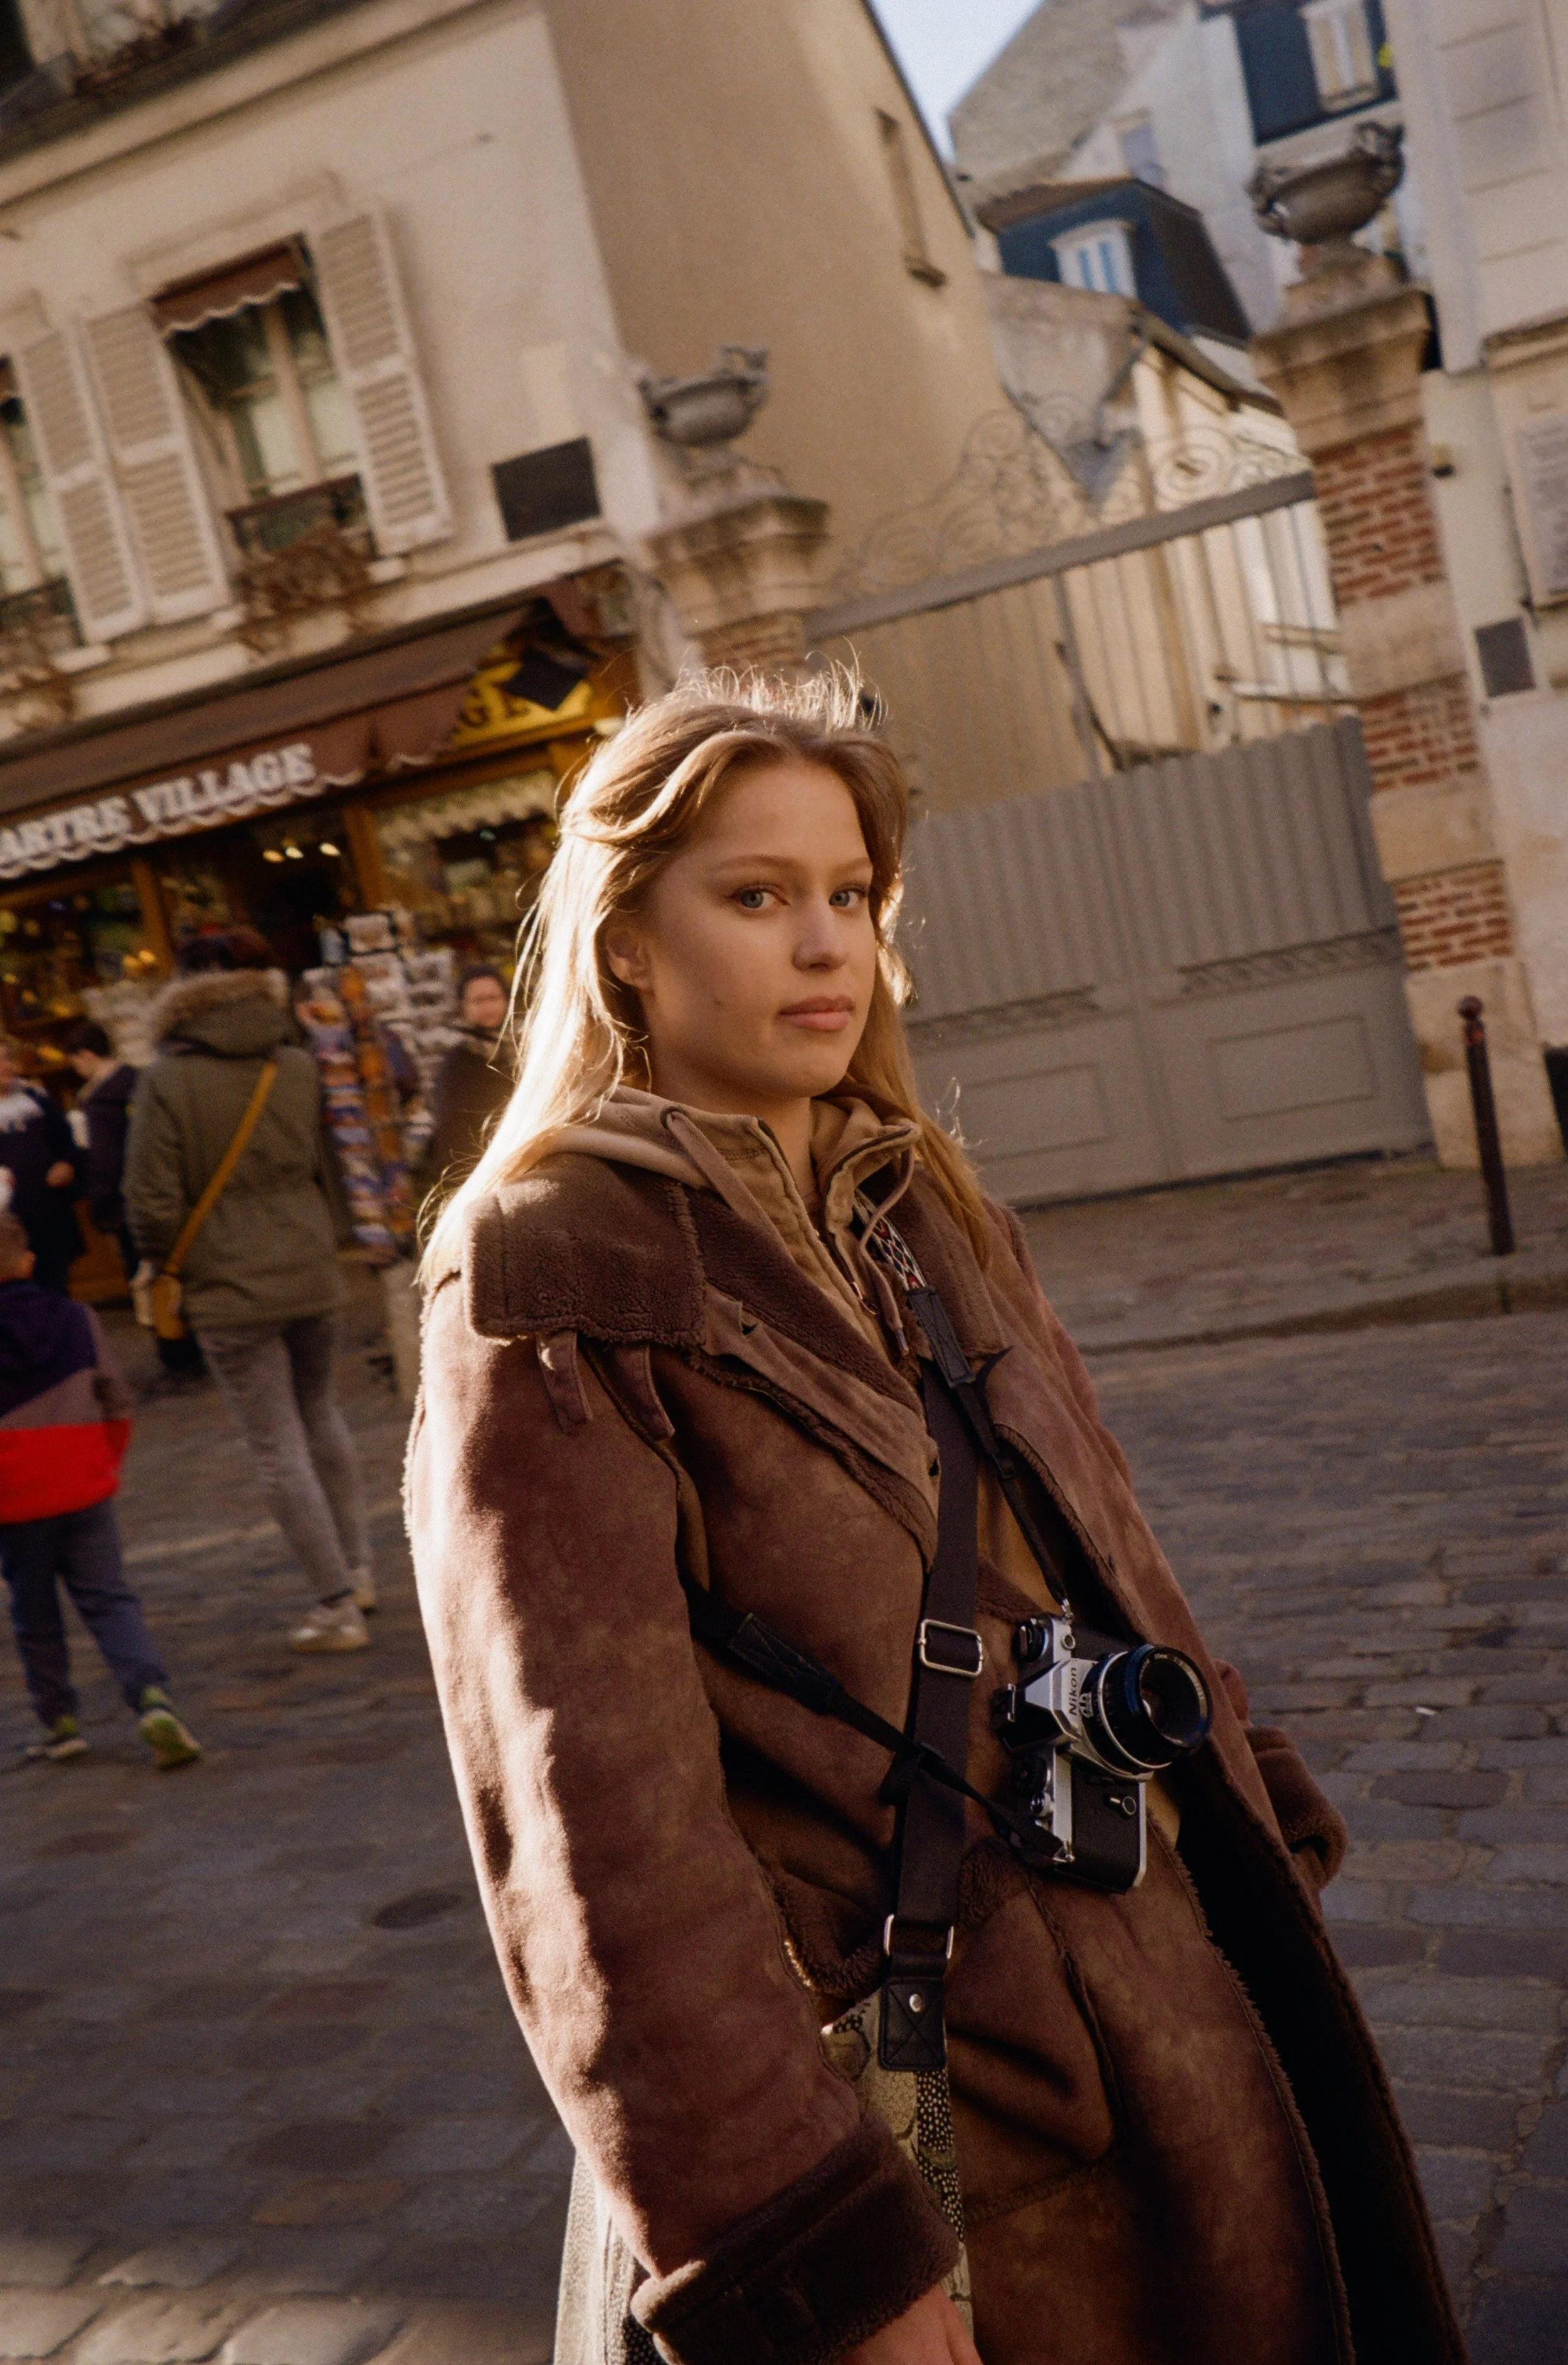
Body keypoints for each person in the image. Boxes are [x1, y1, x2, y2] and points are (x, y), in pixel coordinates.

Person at [410, 674, 1462, 2365]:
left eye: (848, 895)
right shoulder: (556, 1273)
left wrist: (1250, 1825)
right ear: (624, 940)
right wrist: (822, 2268)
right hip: (934, 2121)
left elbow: (1118, 1552)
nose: (822, 944)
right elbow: (598, 1852)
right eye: (754, 897)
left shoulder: (926, 1204)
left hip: (1179, 2017)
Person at [124, 928, 374, 1654]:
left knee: (275, 1443)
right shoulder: (294, 1061)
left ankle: (334, 1605)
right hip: (308, 1266)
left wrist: (169, 1262)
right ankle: (357, 1570)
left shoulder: (167, 1080)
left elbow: (150, 1200)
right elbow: (323, 1161)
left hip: (228, 1284)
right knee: (321, 1414)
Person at [0, 1212, 199, 1767]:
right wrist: (105, 1459)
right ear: (28, 1261)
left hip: (13, 1494)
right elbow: (117, 1397)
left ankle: (60, 1721)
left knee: (34, 1610)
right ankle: (151, 1696)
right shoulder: (78, 1318)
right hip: (84, 1481)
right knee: (110, 1597)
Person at [66, 1020, 204, 1383]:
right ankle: (198, 1338)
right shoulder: (143, 1082)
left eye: (76, 1063)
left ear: (86, 1055)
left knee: (148, 1277)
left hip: (129, 1202)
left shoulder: (101, 1102)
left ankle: (175, 1347)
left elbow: (105, 1161)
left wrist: (101, 1206)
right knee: (180, 1267)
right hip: (170, 1191)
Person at [0, 1037, 82, 1294]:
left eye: (8, 1059)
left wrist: (66, 1163)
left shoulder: (35, 1098)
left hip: (48, 1212)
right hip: (8, 1222)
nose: (6, 1066)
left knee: (57, 1288)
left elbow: (68, 1140)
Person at [425, 964, 513, 1188]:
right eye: (478, 1001)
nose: (488, 1007)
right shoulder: (457, 1062)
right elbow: (452, 1131)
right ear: (463, 1007)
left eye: (493, 998)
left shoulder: (521, 1049)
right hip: (486, 1175)